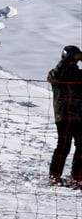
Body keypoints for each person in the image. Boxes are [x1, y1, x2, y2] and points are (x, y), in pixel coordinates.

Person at [48, 44, 82, 188]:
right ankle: (54, 176)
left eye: (78, 59)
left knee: (81, 147)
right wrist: (64, 62)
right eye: (73, 58)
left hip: (80, 116)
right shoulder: (57, 73)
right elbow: (54, 77)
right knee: (63, 146)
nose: (75, 61)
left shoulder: (80, 74)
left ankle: (77, 178)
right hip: (64, 116)